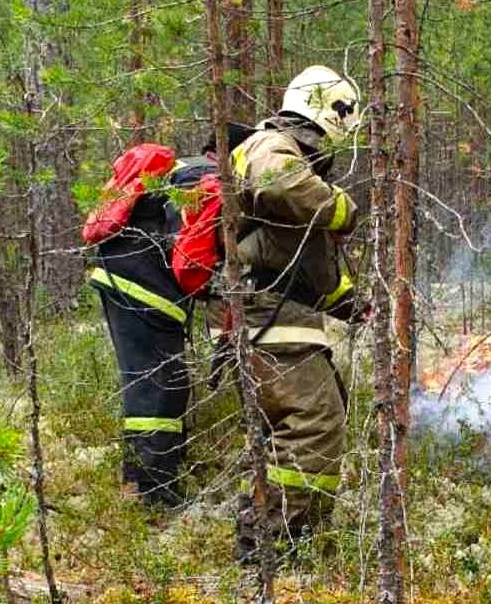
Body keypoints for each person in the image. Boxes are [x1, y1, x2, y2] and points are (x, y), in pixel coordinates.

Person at [171, 65, 367, 555]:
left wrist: (353, 304)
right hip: (263, 313)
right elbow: (278, 185)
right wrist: (343, 210)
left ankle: (286, 539)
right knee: (312, 423)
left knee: (310, 420)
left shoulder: (295, 157)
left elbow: (302, 266)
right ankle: (272, 547)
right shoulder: (272, 146)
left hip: (274, 311)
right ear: (332, 112)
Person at [83, 144, 218, 510]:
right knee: (159, 389)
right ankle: (154, 493)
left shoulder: (181, 170)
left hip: (123, 281)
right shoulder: (200, 175)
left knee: (150, 385)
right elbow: (189, 250)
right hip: (143, 290)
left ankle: (141, 479)